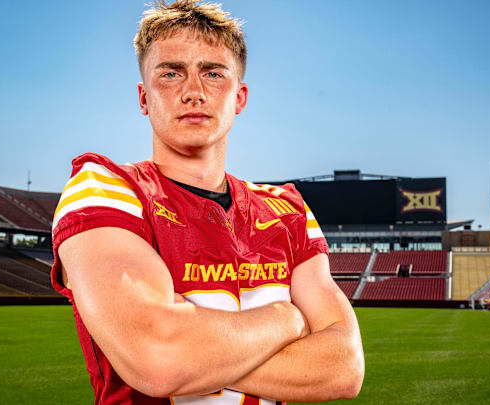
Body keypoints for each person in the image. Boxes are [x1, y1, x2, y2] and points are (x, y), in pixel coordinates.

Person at [51, 1, 364, 404]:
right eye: (171, 73)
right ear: (144, 98)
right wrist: (288, 319)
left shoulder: (288, 209)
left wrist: (197, 349)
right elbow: (160, 358)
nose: (194, 92)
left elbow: (344, 369)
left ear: (239, 97)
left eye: (213, 73)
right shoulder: (107, 189)